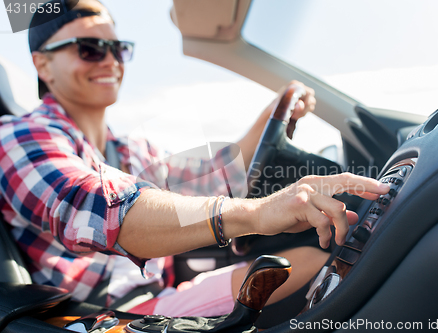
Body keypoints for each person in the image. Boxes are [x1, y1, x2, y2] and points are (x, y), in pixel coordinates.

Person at [0, 0, 390, 317]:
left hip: (159, 296)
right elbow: (108, 212)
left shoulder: (132, 149)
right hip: (103, 317)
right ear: (42, 63)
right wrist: (257, 214)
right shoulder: (18, 139)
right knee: (314, 264)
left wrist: (275, 111)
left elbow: (216, 177)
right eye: (90, 48)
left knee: (317, 257)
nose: (109, 60)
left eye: (118, 48)